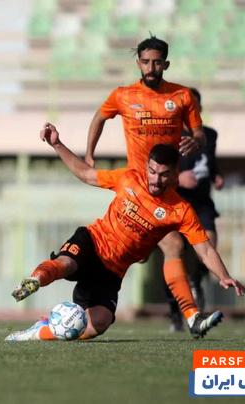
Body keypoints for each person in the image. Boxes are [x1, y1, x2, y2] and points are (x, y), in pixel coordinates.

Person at [5, 123, 245, 342]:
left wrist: (223, 275)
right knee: (65, 264)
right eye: (152, 171)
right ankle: (35, 280)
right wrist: (57, 144)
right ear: (147, 167)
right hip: (93, 242)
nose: (156, 179)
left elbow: (205, 250)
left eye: (163, 175)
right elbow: (86, 174)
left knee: (98, 324)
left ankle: (42, 331)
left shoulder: (180, 210)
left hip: (113, 270)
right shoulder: (129, 178)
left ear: (175, 174)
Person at [84, 35, 207, 333]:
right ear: (138, 63)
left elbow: (200, 133)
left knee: (174, 245)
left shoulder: (182, 96)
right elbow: (99, 118)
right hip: (137, 189)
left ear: (166, 64)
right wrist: (89, 153)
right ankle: (88, 300)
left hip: (167, 190)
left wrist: (195, 140)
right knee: (135, 253)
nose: (151, 68)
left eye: (157, 63)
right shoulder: (123, 95)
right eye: (146, 62)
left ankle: (189, 316)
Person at [165, 87, 224, 332]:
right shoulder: (169, 134)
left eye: (195, 107)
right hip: (176, 202)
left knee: (209, 246)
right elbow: (157, 169)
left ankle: (196, 281)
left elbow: (210, 162)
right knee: (175, 252)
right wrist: (178, 179)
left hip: (202, 202)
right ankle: (175, 311)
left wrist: (217, 175)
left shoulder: (209, 135)